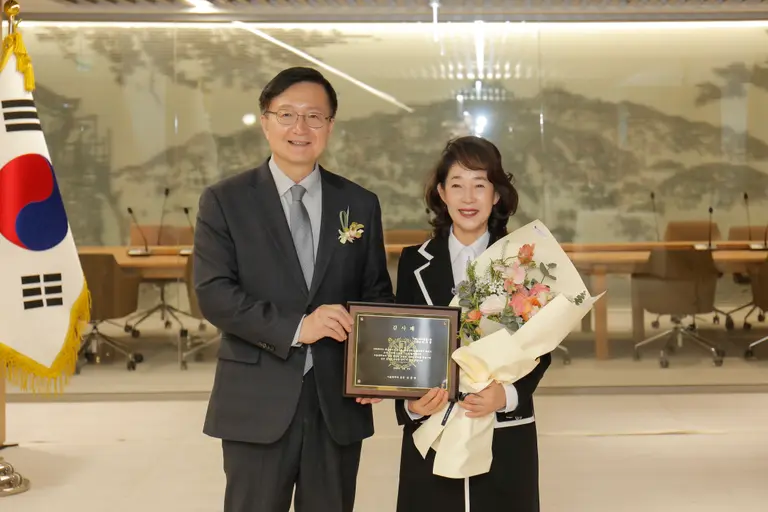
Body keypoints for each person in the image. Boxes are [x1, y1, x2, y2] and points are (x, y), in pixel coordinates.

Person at [193, 66, 394, 512]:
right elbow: (214, 294)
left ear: (330, 126)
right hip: (256, 399)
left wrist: (376, 368)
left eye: (314, 116)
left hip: (337, 400)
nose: (300, 128)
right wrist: (299, 327)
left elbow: (376, 293)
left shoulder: (359, 203)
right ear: (265, 121)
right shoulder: (225, 201)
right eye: (287, 114)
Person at [394, 136, 552, 512]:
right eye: (457, 185)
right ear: (441, 193)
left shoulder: (524, 260)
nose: (468, 198)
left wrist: (508, 395)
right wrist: (411, 405)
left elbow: (541, 346)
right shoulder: (413, 262)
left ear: (496, 194)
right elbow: (402, 347)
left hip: (502, 428)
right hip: (433, 426)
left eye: (479, 185)